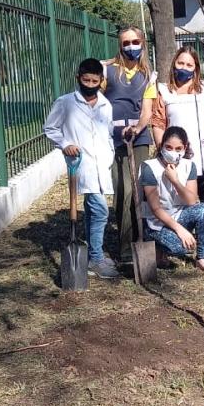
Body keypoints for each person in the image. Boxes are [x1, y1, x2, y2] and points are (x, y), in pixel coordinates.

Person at [44, 58, 118, 279]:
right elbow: (50, 128)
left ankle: (89, 251)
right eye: (85, 80)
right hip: (81, 164)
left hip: (102, 164)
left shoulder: (106, 105)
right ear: (78, 78)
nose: (89, 84)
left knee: (92, 209)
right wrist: (65, 144)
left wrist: (110, 154)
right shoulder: (66, 102)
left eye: (95, 80)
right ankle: (95, 258)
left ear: (101, 81)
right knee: (101, 210)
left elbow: (108, 132)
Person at [152, 45, 204, 220]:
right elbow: (158, 123)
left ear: (195, 68)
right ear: (174, 65)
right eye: (181, 63)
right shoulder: (165, 91)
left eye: (189, 65)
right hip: (178, 154)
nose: (184, 68)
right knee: (182, 195)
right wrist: (163, 152)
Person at [102, 27, 157, 264]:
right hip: (113, 139)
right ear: (120, 45)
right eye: (126, 43)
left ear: (142, 43)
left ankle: (140, 240)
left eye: (135, 41)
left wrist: (137, 129)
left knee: (138, 190)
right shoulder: (108, 71)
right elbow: (96, 98)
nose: (131, 46)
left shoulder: (148, 75)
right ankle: (124, 249)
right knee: (122, 191)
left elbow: (146, 112)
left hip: (139, 139)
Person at [140, 125, 204, 274]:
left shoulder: (189, 166)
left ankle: (202, 256)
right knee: (180, 249)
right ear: (161, 146)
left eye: (178, 148)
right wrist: (180, 230)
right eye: (168, 147)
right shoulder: (149, 168)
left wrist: (175, 181)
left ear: (184, 148)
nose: (173, 152)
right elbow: (155, 209)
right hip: (156, 223)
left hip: (179, 214)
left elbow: (192, 201)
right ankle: (158, 247)